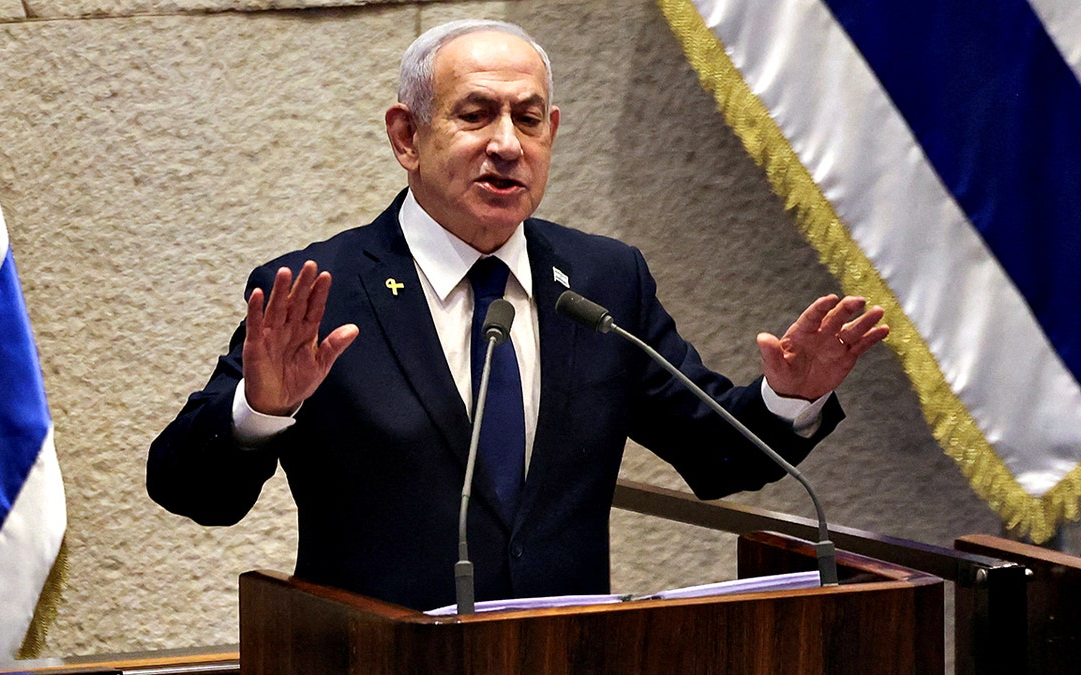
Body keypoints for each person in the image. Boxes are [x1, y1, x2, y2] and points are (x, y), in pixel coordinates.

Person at [146, 19, 888, 611]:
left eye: (528, 120)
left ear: (551, 133)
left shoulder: (604, 281)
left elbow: (719, 454)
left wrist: (789, 396)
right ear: (406, 136)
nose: (507, 144)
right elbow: (187, 489)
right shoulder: (320, 293)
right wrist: (260, 410)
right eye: (475, 115)